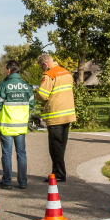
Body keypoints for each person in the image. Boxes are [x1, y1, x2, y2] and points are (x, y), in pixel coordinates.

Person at [0, 60, 34, 190]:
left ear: (9, 70)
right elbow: (31, 105)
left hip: (7, 126)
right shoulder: (26, 86)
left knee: (7, 154)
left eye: (5, 69)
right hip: (20, 126)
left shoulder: (4, 85)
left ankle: (7, 181)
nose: (4, 71)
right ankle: (22, 182)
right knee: (21, 154)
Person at [35, 54, 76, 182]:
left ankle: (59, 174)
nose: (42, 70)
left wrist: (35, 93)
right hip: (67, 114)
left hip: (55, 115)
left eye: (41, 67)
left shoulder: (49, 75)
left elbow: (43, 95)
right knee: (61, 145)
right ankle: (56, 171)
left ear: (45, 64)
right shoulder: (66, 72)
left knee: (55, 146)